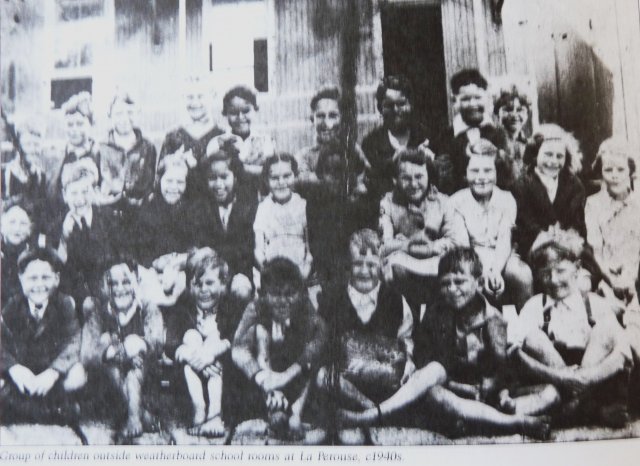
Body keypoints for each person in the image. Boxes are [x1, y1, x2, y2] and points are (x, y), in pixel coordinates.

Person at [513, 225, 633, 427]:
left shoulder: (594, 303)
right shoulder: (535, 306)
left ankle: (574, 405)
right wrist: (561, 376)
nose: (553, 280)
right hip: (554, 375)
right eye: (545, 273)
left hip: (592, 377)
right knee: (533, 337)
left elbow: (622, 354)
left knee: (606, 329)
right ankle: (586, 409)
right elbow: (514, 352)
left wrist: (585, 379)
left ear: (577, 268)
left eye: (561, 271)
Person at [317, 229, 425, 422]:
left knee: (413, 378)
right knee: (322, 376)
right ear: (348, 266)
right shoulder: (332, 299)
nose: (364, 272)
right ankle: (370, 410)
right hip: (348, 385)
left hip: (385, 382)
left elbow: (406, 338)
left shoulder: (395, 300)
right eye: (358, 264)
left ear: (382, 265)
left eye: (371, 265)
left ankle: (379, 411)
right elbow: (322, 341)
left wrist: (408, 361)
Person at [232, 258, 327, 438]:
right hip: (265, 375)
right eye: (275, 294)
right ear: (264, 293)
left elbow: (319, 338)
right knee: (260, 332)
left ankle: (296, 412)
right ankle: (272, 408)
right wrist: (265, 381)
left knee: (310, 350)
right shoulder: (256, 308)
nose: (283, 301)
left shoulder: (304, 307)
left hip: (294, 375)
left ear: (300, 293)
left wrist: (287, 375)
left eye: (290, 293)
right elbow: (238, 349)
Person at [164, 248, 249, 437]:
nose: (203, 290)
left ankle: (215, 414)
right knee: (191, 337)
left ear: (223, 284)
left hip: (222, 375)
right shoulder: (183, 305)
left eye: (210, 283)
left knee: (214, 342)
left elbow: (238, 338)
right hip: (189, 379)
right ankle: (199, 408)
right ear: (190, 285)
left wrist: (211, 354)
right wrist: (190, 353)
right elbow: (170, 342)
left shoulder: (229, 307)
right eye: (197, 284)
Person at [0, 246, 86, 425]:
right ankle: (48, 411)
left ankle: (21, 408)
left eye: (45, 278)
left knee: (78, 375)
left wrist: (53, 372)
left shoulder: (64, 304)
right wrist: (14, 368)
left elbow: (73, 340)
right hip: (23, 374)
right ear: (21, 279)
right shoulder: (12, 307)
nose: (39, 285)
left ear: (56, 279)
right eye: (32, 278)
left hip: (49, 373)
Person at [81, 258, 163, 441]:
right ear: (104, 286)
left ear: (136, 282)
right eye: (112, 283)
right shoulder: (99, 311)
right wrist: (119, 352)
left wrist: (140, 344)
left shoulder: (148, 309)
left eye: (126, 282)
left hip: (145, 381)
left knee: (136, 365)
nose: (119, 289)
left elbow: (157, 341)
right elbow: (87, 353)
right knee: (107, 346)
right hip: (111, 386)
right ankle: (137, 413)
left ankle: (134, 416)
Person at [379, 148, 468, 310]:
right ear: (395, 180)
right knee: (394, 270)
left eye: (419, 177)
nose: (413, 184)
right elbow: (383, 245)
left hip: (437, 264)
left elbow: (458, 242)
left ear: (428, 176)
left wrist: (431, 247)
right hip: (406, 267)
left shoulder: (443, 202)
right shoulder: (387, 204)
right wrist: (406, 246)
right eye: (406, 178)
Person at [450, 139, 533, 310]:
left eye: (488, 171)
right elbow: (463, 246)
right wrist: (484, 272)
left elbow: (505, 239)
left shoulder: (507, 199)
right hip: (470, 256)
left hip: (502, 255)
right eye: (474, 171)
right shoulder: (456, 201)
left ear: (497, 173)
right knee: (467, 277)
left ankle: (527, 325)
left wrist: (495, 271)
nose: (481, 178)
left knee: (521, 274)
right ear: (465, 173)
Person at [513, 124, 586, 259]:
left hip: (568, 244)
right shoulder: (522, 185)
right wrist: (547, 237)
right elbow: (525, 223)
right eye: (548, 155)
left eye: (559, 156)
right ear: (535, 154)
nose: (553, 161)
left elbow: (577, 222)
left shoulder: (574, 185)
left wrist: (565, 235)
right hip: (535, 245)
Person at [57, 159, 121, 314]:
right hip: (75, 296)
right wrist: (65, 236)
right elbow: (58, 265)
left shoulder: (109, 219)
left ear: (94, 192)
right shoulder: (57, 225)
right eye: (74, 193)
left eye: (85, 191)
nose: (80, 199)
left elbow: (118, 256)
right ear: (65, 195)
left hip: (107, 291)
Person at [433, 69, 509, 194]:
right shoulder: (446, 137)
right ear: (454, 102)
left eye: (478, 97)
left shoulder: (498, 134)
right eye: (466, 99)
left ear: (487, 98)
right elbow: (444, 183)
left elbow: (507, 178)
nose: (473, 104)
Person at [585, 138, 640, 312]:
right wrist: (611, 278)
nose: (615, 175)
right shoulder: (593, 204)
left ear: (630, 171)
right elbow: (596, 250)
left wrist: (631, 275)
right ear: (601, 172)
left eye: (621, 169)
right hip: (606, 271)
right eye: (608, 170)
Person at [361, 75, 432, 200]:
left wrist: (430, 162)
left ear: (411, 105)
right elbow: (371, 184)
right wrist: (392, 162)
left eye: (401, 103)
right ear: (380, 108)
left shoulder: (426, 137)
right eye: (389, 105)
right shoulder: (371, 143)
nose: (395, 110)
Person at [199, 147, 258, 296]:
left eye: (224, 177)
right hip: (211, 274)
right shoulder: (202, 209)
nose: (219, 184)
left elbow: (247, 248)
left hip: (241, 272)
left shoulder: (249, 206)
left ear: (236, 177)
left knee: (241, 290)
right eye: (212, 178)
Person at [159, 76, 224, 199]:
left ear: (212, 97)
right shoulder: (173, 137)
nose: (195, 102)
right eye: (189, 97)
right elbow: (161, 178)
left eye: (200, 96)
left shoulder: (221, 136)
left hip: (212, 206)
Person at [253, 153, 313, 281]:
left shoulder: (303, 206)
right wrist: (266, 270)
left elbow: (309, 251)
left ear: (295, 176)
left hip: (300, 271)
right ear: (266, 180)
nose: (281, 182)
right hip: (271, 271)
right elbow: (259, 249)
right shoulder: (263, 208)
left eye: (287, 176)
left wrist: (303, 275)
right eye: (274, 178)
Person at [295, 86, 369, 185]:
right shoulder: (304, 157)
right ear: (312, 119)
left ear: (342, 120)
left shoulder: (353, 150)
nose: (327, 123)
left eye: (333, 116)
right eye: (321, 116)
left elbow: (366, 180)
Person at [98, 91, 157, 209]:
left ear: (138, 114)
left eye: (130, 112)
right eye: (119, 113)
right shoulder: (101, 148)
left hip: (140, 216)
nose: (124, 118)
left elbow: (151, 186)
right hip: (109, 215)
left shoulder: (148, 147)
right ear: (109, 115)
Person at [208, 85, 275, 179]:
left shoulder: (266, 141)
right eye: (233, 112)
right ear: (225, 113)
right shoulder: (216, 143)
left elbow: (271, 173)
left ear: (255, 110)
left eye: (246, 111)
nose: (240, 117)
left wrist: (243, 168)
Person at [52, 92, 101, 214]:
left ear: (91, 124)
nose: (74, 130)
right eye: (70, 125)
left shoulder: (101, 155)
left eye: (80, 124)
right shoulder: (57, 158)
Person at [492, 80, 533, 188]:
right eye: (508, 109)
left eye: (520, 110)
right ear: (497, 112)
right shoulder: (491, 142)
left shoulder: (530, 145)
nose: (514, 115)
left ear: (527, 114)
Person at [1, 116, 47, 207]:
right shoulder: (5, 173)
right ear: (18, 146)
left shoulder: (40, 175)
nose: (33, 149)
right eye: (28, 144)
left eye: (36, 144)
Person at [1, 201, 35, 308]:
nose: (17, 228)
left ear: (30, 229)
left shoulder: (34, 255)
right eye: (12, 222)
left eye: (23, 223)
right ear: (1, 226)